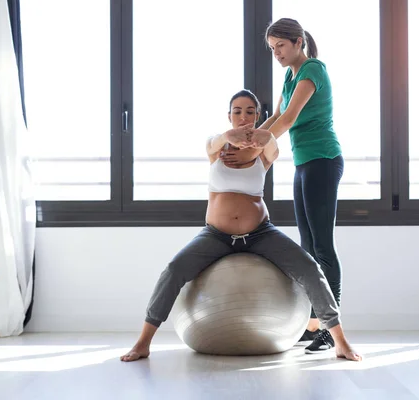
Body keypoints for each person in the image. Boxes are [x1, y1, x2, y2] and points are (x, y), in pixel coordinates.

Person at [120, 90, 361, 362]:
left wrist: (258, 137)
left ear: (257, 116)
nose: (243, 116)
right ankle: (143, 342)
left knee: (309, 268)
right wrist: (228, 137)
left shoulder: (264, 152)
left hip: (260, 233)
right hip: (216, 234)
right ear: (229, 115)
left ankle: (339, 340)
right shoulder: (216, 149)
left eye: (249, 111)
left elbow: (272, 143)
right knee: (174, 270)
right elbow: (212, 142)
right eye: (237, 111)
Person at [220, 18, 345, 353]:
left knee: (322, 246)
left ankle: (330, 328)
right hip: (304, 164)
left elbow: (288, 120)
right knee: (307, 247)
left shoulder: (312, 70)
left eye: (281, 46)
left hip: (323, 160)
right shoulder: (290, 76)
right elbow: (274, 118)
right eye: (272, 48)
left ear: (298, 42)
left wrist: (256, 139)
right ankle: (313, 324)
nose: (276, 53)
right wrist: (252, 139)